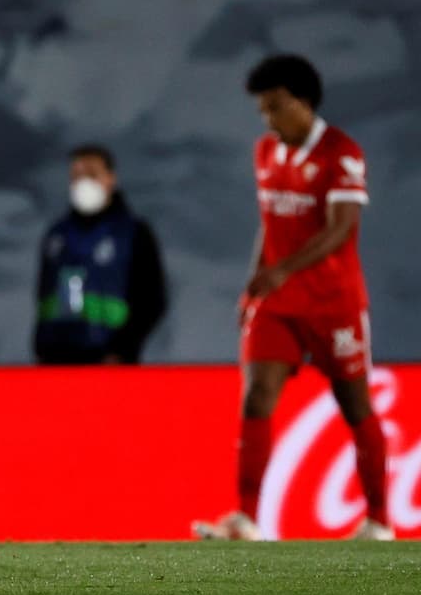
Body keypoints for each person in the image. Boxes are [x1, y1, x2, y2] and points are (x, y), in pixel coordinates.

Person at [192, 53, 393, 541]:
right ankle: (246, 518)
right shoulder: (265, 152)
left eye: (276, 107)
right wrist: (254, 283)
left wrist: (281, 270)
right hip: (279, 302)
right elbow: (272, 223)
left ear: (304, 102)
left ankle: (380, 521)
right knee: (256, 396)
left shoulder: (341, 152)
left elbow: (340, 229)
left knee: (355, 405)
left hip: (333, 302)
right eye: (262, 109)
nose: (268, 119)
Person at [33, 144, 168, 365]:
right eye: (76, 175)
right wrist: (42, 346)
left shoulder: (133, 233)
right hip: (56, 361)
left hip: (110, 361)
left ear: (110, 179)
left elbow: (152, 300)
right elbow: (45, 298)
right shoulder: (57, 235)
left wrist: (122, 349)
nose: (83, 182)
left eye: (91, 174)